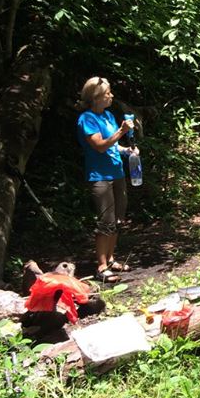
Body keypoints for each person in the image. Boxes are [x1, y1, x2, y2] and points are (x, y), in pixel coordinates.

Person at [76, 77, 137, 283]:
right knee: (106, 221)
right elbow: (100, 146)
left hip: (117, 173)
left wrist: (127, 150)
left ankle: (111, 260)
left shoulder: (109, 115)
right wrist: (122, 131)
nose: (111, 95)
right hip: (100, 176)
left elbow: (113, 147)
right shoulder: (87, 119)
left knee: (118, 219)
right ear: (95, 97)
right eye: (107, 93)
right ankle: (101, 266)